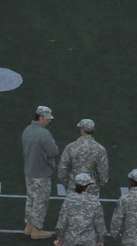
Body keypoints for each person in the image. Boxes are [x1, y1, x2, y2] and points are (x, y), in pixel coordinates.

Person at [22, 105, 59, 240]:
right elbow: (53, 152)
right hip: (41, 173)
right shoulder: (44, 134)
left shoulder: (27, 130)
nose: (50, 121)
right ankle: (36, 230)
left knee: (31, 198)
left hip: (29, 171)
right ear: (41, 118)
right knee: (40, 201)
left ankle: (29, 226)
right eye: (48, 119)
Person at [58, 118, 109, 194]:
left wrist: (67, 183)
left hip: (74, 186)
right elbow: (103, 171)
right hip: (92, 188)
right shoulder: (100, 149)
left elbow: (63, 167)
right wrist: (100, 184)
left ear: (82, 130)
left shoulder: (71, 147)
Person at [55, 172, 106, 246]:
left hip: (70, 239)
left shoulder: (68, 200)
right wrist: (100, 239)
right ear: (88, 187)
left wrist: (60, 238)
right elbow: (99, 223)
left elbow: (62, 222)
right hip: (89, 241)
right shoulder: (95, 201)